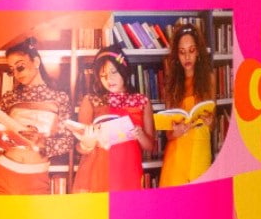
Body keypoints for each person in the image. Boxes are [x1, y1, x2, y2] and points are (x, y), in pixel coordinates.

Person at [0, 36, 72, 195]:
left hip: (35, 179)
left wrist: (42, 142)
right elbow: (1, 144)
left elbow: (68, 142)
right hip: (1, 175)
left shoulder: (59, 98)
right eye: (12, 70)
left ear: (36, 62)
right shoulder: (10, 98)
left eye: (20, 67)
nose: (15, 73)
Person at [71, 47, 155, 192]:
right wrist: (87, 144)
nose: (109, 79)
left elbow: (150, 146)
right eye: (103, 75)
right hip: (96, 171)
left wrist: (140, 135)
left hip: (128, 172)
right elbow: (79, 147)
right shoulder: (90, 100)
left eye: (113, 72)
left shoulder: (142, 101)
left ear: (124, 70)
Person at [158, 22, 215, 187]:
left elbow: (213, 126)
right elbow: (168, 134)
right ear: (177, 55)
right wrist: (175, 132)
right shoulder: (171, 84)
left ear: (198, 51)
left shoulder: (209, 79)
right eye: (182, 52)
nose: (187, 57)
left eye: (191, 50)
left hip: (200, 151)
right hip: (177, 155)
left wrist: (210, 121)